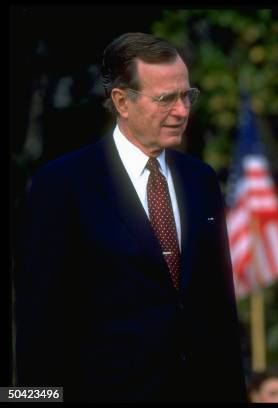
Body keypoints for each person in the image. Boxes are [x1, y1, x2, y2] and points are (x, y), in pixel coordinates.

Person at [15, 32, 246, 402]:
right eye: (166, 98)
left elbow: (219, 310)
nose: (182, 110)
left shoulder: (201, 180)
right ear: (122, 101)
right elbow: (39, 323)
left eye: (188, 95)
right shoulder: (62, 185)